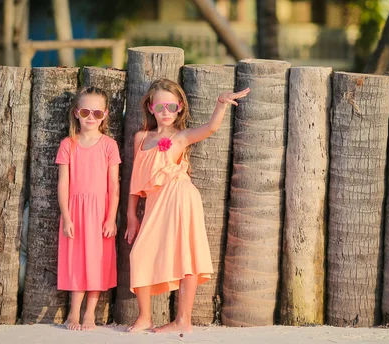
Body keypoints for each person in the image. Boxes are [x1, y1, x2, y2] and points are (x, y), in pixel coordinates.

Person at [125, 78, 250, 333]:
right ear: (150, 108)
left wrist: (220, 103)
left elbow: (211, 128)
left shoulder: (179, 137)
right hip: (155, 203)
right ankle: (145, 317)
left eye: (171, 107)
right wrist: (131, 214)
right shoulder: (141, 137)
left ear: (180, 107)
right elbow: (134, 179)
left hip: (180, 196)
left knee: (187, 255)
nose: (166, 113)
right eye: (160, 107)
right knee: (140, 254)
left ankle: (183, 320)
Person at [55, 86, 121, 331]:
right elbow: (63, 183)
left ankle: (90, 313)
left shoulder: (109, 146)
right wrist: (67, 217)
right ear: (76, 113)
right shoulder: (68, 144)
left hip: (101, 212)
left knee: (97, 262)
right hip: (75, 212)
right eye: (85, 111)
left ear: (105, 115)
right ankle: (73, 312)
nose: (91, 117)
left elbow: (114, 185)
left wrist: (111, 218)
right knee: (75, 261)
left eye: (96, 112)